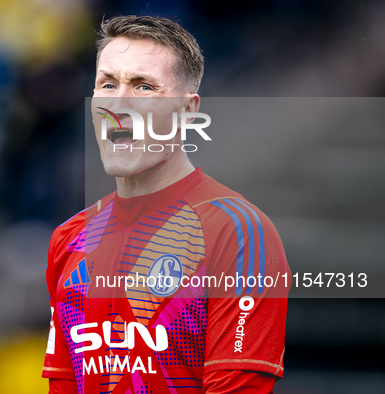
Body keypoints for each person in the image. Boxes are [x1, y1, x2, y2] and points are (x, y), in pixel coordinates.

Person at [42, 15, 291, 393]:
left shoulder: (237, 233)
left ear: (188, 111)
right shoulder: (69, 239)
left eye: (144, 87)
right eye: (107, 84)